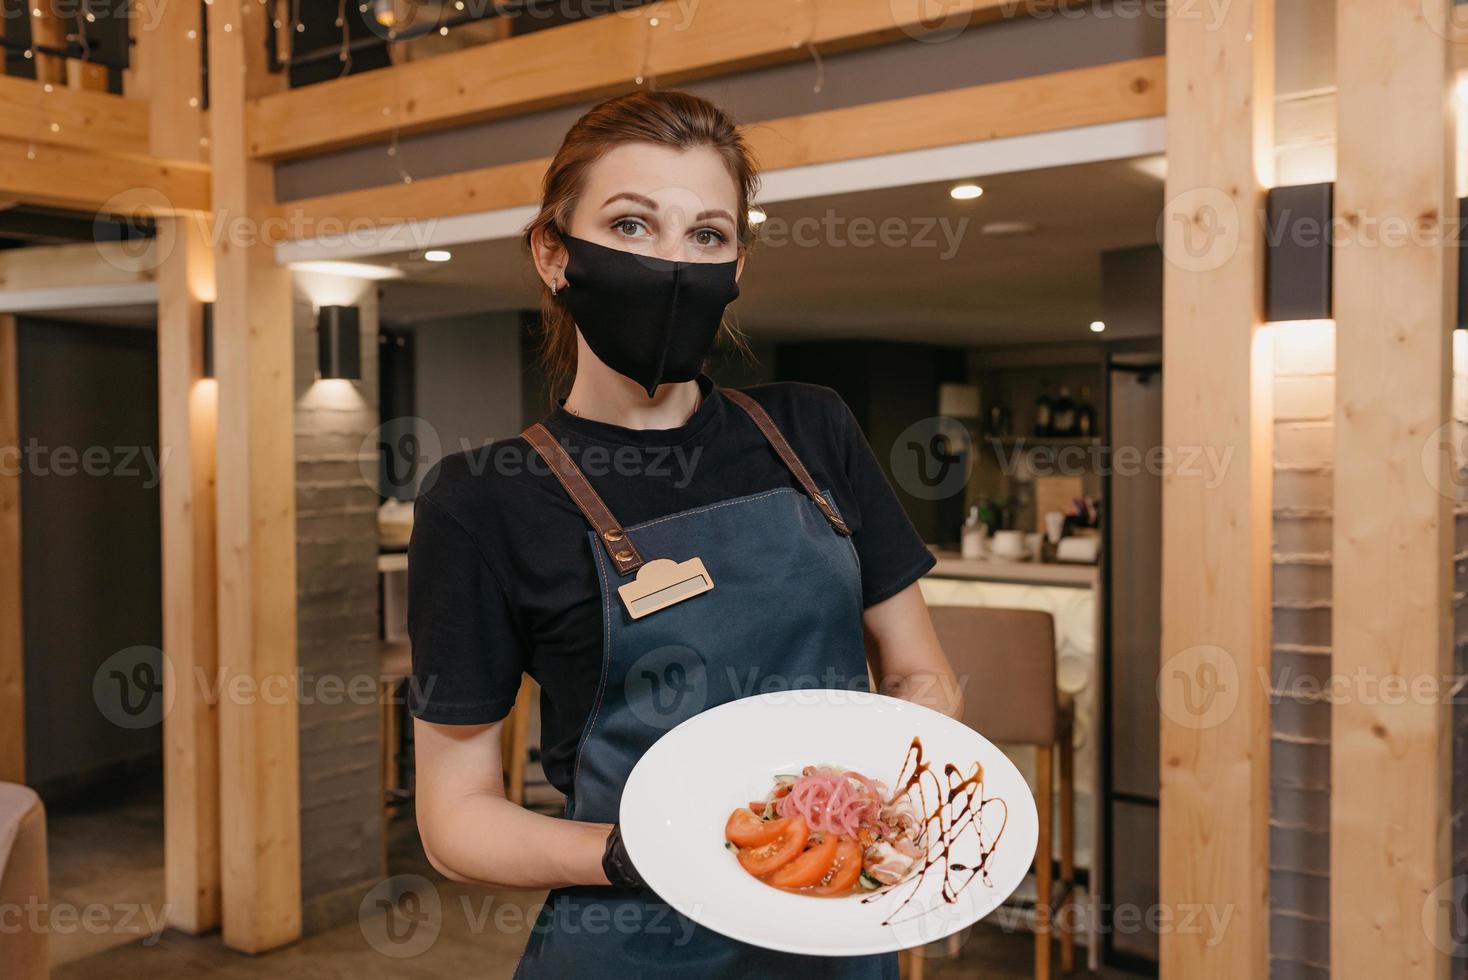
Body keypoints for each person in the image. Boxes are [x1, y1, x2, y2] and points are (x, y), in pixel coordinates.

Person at [407, 88, 961, 980]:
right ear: (554, 252)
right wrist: (632, 856)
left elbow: (917, 671)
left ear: (736, 264)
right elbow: (454, 819)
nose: (673, 263)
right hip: (636, 944)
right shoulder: (483, 500)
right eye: (631, 226)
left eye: (706, 234)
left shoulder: (812, 430)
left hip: (837, 933)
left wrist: (878, 808)